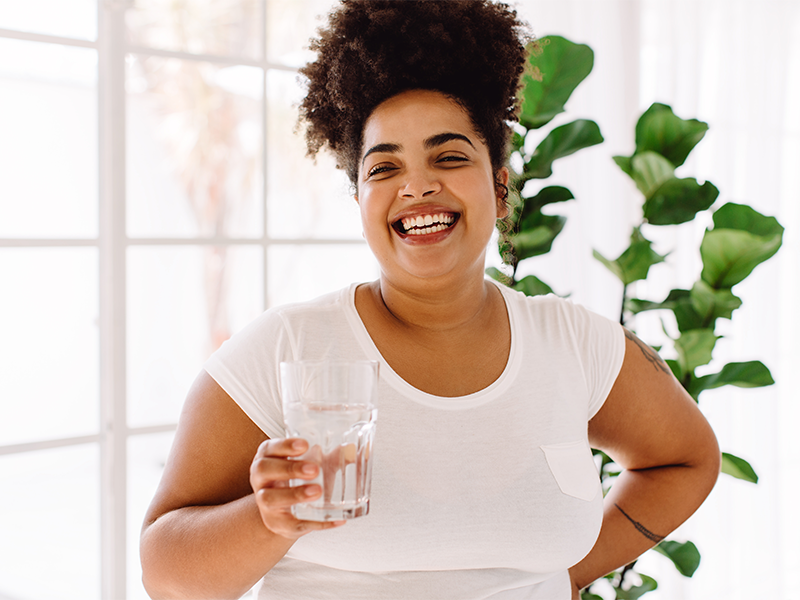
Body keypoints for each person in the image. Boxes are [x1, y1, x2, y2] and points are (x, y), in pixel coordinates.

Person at [139, 1, 721, 599]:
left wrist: (557, 578)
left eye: (448, 157)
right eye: (383, 167)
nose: (416, 186)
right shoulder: (286, 347)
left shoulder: (575, 344)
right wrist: (267, 520)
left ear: (499, 187)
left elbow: (686, 461)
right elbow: (165, 573)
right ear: (360, 199)